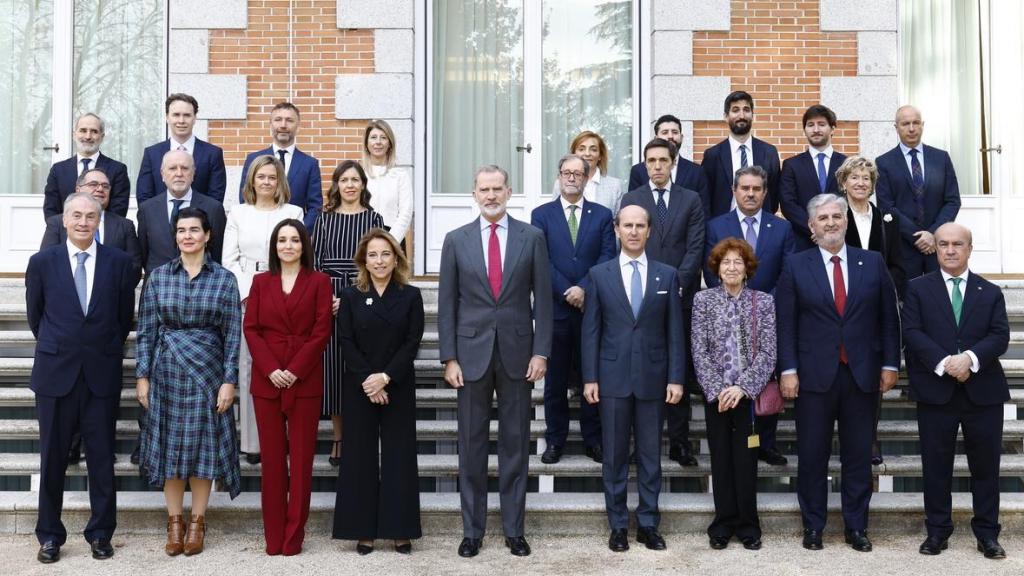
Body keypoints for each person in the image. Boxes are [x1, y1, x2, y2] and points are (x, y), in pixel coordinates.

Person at [438, 164, 552, 558]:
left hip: (518, 355)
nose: (491, 195)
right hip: (470, 356)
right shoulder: (456, 240)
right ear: (474, 194)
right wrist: (449, 358)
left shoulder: (532, 237)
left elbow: (544, 300)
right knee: (471, 446)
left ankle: (514, 530)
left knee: (515, 444)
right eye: (484, 189)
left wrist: (541, 351)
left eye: (497, 189)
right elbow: (447, 304)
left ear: (509, 192)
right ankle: (472, 531)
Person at [776, 194, 901, 552]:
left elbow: (888, 318)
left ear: (846, 222)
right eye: (823, 218)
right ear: (811, 226)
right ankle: (813, 526)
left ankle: (856, 527)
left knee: (858, 456)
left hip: (862, 375)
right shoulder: (796, 265)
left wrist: (890, 364)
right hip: (813, 377)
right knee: (812, 456)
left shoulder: (872, 262)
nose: (830, 223)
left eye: (836, 216)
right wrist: (788, 370)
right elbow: (786, 323)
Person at [26, 192, 136, 564]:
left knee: (102, 458)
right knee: (52, 459)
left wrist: (98, 347)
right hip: (55, 373)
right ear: (64, 219)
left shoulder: (119, 263)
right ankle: (49, 535)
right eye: (76, 215)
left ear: (99, 220)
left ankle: (101, 533)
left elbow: (123, 319)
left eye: (91, 216)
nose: (83, 222)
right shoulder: (42, 262)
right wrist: (62, 345)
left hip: (100, 373)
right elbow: (36, 317)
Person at [135, 206, 242, 557]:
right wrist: (142, 376)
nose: (187, 236)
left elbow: (232, 336)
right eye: (181, 230)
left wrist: (229, 380)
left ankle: (197, 521)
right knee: (171, 448)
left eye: (194, 230)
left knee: (202, 449)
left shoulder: (224, 279)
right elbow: (146, 331)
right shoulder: (158, 277)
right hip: (167, 372)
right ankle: (174, 522)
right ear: (175, 236)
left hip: (208, 373)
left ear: (207, 235)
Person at [902, 223, 1010, 560]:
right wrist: (945, 362)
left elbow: (1000, 336)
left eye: (957, 244)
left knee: (986, 469)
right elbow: (912, 332)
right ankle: (937, 532)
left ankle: (987, 534)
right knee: (936, 467)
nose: (950, 250)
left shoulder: (989, 291)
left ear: (970, 248)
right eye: (943, 244)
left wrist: (970, 359)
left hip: (983, 392)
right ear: (935, 248)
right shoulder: (917, 289)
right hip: (936, 391)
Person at [581, 204, 684, 553]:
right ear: (617, 229)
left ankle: (649, 524)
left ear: (649, 231)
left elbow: (675, 331)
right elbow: (591, 331)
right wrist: (590, 377)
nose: (634, 231)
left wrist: (676, 378)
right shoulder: (599, 274)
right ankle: (618, 525)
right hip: (611, 378)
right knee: (614, 456)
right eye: (628, 225)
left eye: (640, 226)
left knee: (651, 456)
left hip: (654, 378)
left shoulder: (667, 275)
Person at [243, 218, 334, 556]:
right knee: (272, 462)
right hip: (267, 381)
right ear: (274, 246)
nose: (288, 246)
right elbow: (251, 329)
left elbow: (322, 331)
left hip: (305, 379)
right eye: (282, 240)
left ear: (304, 245)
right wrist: (271, 369)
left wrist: (294, 370)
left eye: (294, 240)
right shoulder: (260, 281)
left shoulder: (320, 282)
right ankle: (273, 536)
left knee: (301, 460)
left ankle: (294, 536)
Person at [334, 229, 425, 554]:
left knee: (400, 455)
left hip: (397, 383)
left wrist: (385, 377)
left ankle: (400, 529)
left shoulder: (410, 295)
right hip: (360, 385)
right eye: (373, 255)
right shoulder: (351, 296)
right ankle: (362, 530)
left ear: (396, 259)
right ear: (364, 260)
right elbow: (346, 341)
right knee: (359, 455)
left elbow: (412, 341)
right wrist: (369, 381)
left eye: (386, 254)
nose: (380, 261)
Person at [703, 165, 795, 466]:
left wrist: (764, 304)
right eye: (745, 188)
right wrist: (733, 299)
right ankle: (735, 440)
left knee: (765, 376)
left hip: (768, 314)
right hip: (726, 314)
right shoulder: (717, 226)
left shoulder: (781, 228)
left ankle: (766, 444)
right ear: (734, 191)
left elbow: (787, 273)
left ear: (765, 192)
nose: (751, 193)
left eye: (757, 189)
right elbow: (711, 268)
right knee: (732, 375)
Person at [620, 138, 704, 468]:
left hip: (680, 296)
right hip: (642, 299)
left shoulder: (690, 199)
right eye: (651, 161)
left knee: (676, 366)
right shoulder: (633, 199)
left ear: (672, 163)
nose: (657, 166)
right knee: (640, 367)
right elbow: (630, 245)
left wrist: (676, 283)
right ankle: (640, 443)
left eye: (663, 160)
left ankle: (680, 443)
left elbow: (695, 247)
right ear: (645, 165)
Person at [692, 238, 776, 551]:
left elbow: (768, 352)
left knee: (746, 461)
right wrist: (718, 389)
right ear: (717, 268)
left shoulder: (762, 302)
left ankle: (748, 525)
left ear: (747, 268)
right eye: (725, 262)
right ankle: (723, 524)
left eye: (737, 262)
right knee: (721, 460)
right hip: (716, 396)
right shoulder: (703, 300)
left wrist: (742, 388)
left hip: (747, 397)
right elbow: (698, 350)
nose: (731, 267)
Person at [532, 154, 616, 464]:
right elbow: (541, 259)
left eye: (577, 173)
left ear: (586, 177)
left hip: (590, 309)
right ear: (559, 176)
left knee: (591, 375)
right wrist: (567, 291)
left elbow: (607, 256)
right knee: (555, 380)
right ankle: (555, 440)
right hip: (555, 309)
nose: (571, 178)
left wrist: (584, 288)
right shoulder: (541, 215)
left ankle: (594, 440)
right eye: (566, 172)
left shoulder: (602, 215)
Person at [224, 155, 304, 465]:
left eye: (272, 177)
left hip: (285, 291)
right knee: (249, 365)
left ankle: (287, 435)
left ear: (280, 181)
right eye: (261, 177)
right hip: (249, 293)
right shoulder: (239, 213)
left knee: (286, 361)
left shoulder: (293, 212)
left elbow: (297, 253)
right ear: (252, 180)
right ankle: (252, 442)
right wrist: (248, 294)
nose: (267, 182)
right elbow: (229, 259)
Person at [311, 160, 385, 466]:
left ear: (363, 185)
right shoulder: (324, 218)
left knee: (360, 367)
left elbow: (379, 263)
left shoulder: (374, 218)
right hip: (329, 298)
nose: (350, 185)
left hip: (364, 295)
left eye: (355, 180)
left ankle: (360, 438)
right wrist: (327, 298)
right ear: (336, 185)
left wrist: (353, 298)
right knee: (334, 372)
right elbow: (315, 263)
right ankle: (339, 438)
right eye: (344, 180)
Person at [836, 155, 906, 467]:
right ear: (843, 183)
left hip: (875, 307)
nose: (861, 183)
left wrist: (885, 289)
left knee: (870, 373)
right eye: (854, 177)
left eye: (866, 178)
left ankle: (870, 437)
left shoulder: (886, 218)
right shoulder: (833, 215)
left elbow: (898, 264)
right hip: (840, 305)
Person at [875, 105, 961, 279]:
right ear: (896, 127)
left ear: (922, 125)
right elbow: (886, 206)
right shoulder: (884, 162)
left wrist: (932, 233)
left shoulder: (941, 158)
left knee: (939, 294)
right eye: (905, 124)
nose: (911, 128)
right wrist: (917, 237)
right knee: (908, 295)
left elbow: (952, 201)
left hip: (938, 246)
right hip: (904, 248)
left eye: (916, 123)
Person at [41, 168, 141, 287]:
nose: (100, 189)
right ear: (78, 189)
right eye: (93, 184)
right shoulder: (57, 222)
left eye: (105, 186)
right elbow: (46, 263)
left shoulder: (125, 226)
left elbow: (134, 268)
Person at [137, 150, 227, 276]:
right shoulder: (147, 209)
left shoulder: (213, 208)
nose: (179, 174)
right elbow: (143, 252)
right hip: (157, 283)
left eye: (185, 168)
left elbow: (217, 253)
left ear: (193, 173)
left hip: (201, 283)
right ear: (162, 174)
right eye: (172, 168)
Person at [238, 102, 322, 229]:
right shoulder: (253, 159)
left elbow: (315, 207)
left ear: (298, 126)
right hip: (258, 230)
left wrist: (300, 232)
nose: (283, 125)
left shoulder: (310, 164)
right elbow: (245, 198)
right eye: (278, 120)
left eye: (289, 120)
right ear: (270, 125)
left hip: (295, 236)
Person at [701, 91, 782, 218]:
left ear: (752, 115)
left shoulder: (769, 152)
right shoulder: (713, 155)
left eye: (746, 110)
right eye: (735, 110)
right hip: (723, 225)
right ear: (726, 116)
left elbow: (774, 196)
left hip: (760, 225)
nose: (742, 115)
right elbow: (706, 197)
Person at [780, 104, 847, 250]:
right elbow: (788, 204)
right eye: (810, 125)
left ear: (832, 129)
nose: (816, 130)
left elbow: (850, 200)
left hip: (840, 240)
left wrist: (832, 228)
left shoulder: (846, 164)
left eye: (821, 124)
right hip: (803, 241)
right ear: (805, 130)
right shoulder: (791, 165)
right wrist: (815, 228)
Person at [137, 93, 227, 203]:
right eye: (176, 115)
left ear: (195, 118)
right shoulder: (152, 154)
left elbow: (215, 199)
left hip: (201, 214)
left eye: (187, 115)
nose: (181, 120)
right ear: (167, 118)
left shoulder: (212, 154)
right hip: (159, 214)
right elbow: (144, 197)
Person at [43, 113, 131, 218]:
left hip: (104, 229)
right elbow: (51, 210)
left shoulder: (117, 170)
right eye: (83, 130)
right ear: (74, 135)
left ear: (102, 137)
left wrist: (96, 227)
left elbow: (118, 211)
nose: (88, 136)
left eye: (94, 131)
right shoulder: (58, 170)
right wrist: (68, 227)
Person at [628, 114, 709, 204]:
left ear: (681, 137)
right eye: (665, 132)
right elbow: (633, 205)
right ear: (656, 138)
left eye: (675, 132)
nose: (670, 136)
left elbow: (703, 208)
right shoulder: (638, 171)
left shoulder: (697, 172)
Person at [363, 120, 414, 247]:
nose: (378, 142)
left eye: (383, 137)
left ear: (390, 144)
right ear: (366, 144)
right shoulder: (359, 174)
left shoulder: (400, 175)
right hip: (363, 240)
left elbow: (406, 212)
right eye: (373, 137)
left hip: (394, 240)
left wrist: (390, 241)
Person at [551, 131, 626, 213]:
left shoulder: (615, 186)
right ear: (574, 154)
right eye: (581, 149)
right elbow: (554, 213)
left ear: (600, 156)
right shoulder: (561, 183)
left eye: (593, 150)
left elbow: (619, 219)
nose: (587, 154)